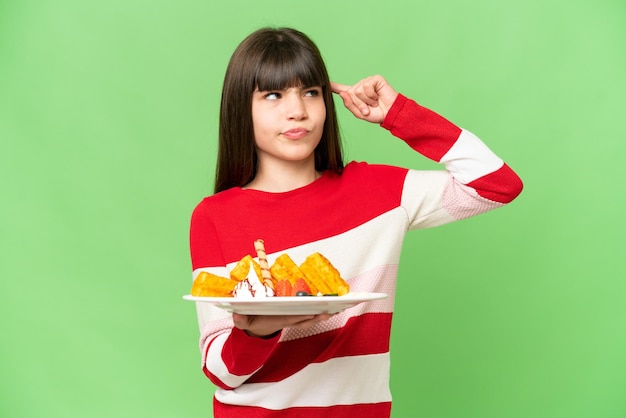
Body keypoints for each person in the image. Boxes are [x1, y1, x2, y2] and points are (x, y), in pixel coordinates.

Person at [188, 27, 523, 417]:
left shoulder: (380, 193)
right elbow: (219, 371)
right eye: (273, 95)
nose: (297, 110)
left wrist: (399, 114)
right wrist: (257, 330)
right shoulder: (214, 216)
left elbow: (498, 184)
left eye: (310, 92)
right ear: (240, 109)